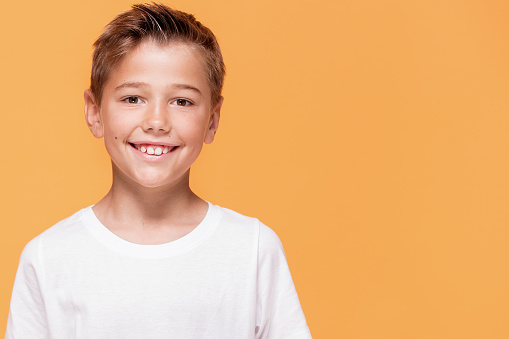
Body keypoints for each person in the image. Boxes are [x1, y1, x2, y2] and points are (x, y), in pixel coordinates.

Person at [5, 3, 311, 339]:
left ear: (212, 119)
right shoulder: (49, 257)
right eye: (133, 98)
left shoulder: (252, 248)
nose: (156, 122)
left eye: (182, 101)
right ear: (94, 112)